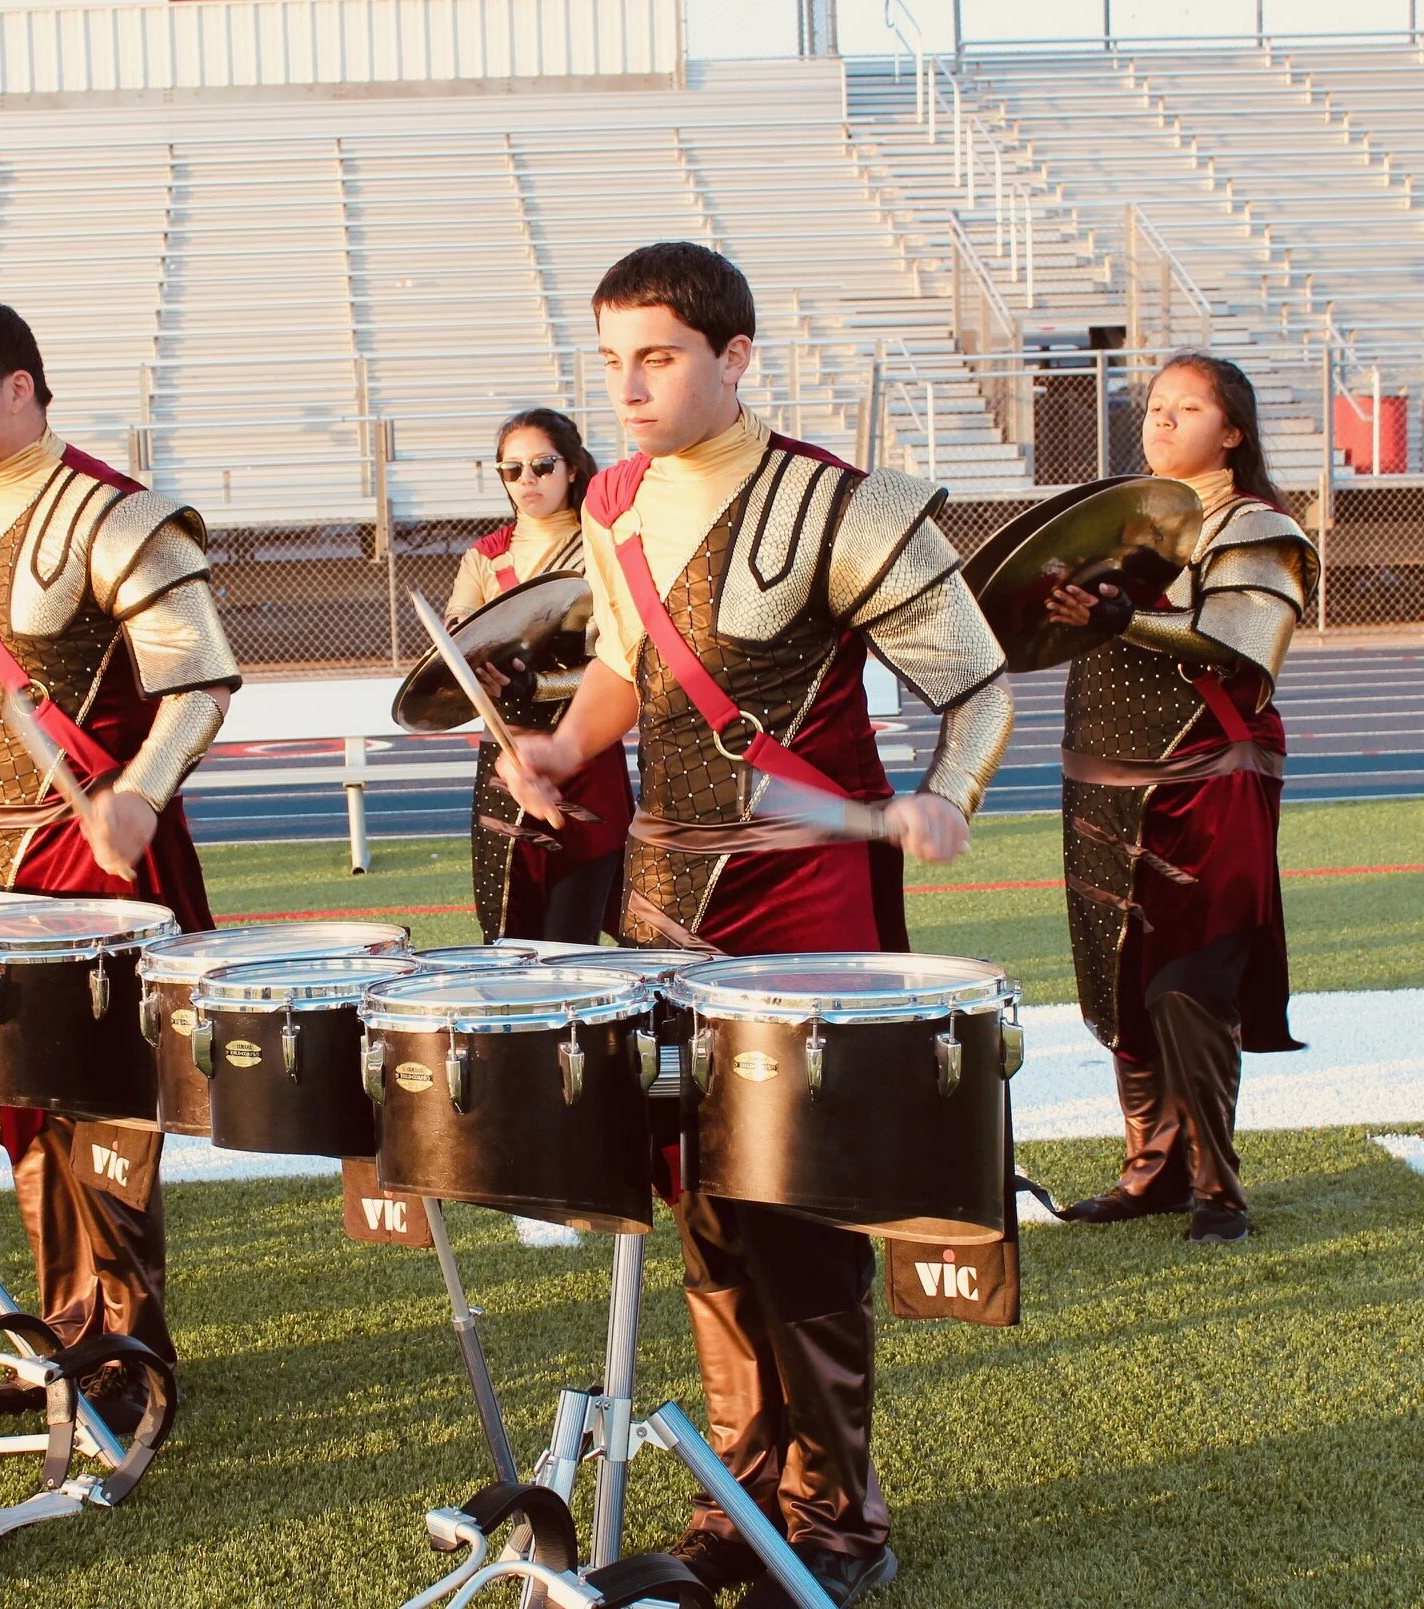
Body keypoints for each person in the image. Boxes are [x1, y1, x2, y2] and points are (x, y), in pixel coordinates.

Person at [497, 242, 1015, 1608]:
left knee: (800, 1219)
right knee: (707, 1214)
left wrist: (942, 795)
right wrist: (559, 752)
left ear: (733, 359)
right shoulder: (609, 503)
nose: (628, 386)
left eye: (656, 357)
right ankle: (737, 1494)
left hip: (807, 912)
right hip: (659, 907)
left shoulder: (843, 507)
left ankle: (836, 1519)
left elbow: (979, 687)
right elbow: (622, 665)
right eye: (610, 361)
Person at [0, 296, 240, 1423]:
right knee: (24, 1111)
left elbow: (200, 683)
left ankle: (126, 1350)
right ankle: (72, 1332)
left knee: (107, 1109)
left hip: (93, 864)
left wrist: (138, 795)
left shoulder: (117, 515)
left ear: (20, 386)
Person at [1044, 353, 1313, 1244]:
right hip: (1103, 778)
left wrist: (1122, 615)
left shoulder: (1256, 525)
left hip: (1204, 777)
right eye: (1154, 407)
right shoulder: (1128, 523)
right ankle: (1150, 1171)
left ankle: (1217, 1188)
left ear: (1231, 428)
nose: (1160, 421)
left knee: (1189, 983)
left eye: (1185, 408)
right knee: (1118, 980)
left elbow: (1238, 647)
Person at [443, 408, 632, 944]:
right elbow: (453, 653)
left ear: (572, 468)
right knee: (507, 935)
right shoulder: (483, 558)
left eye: (542, 466)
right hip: (504, 756)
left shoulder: (606, 546)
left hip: (587, 756)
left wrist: (537, 686)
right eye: (512, 469)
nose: (527, 480)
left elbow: (621, 658)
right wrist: (472, 669)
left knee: (571, 941)